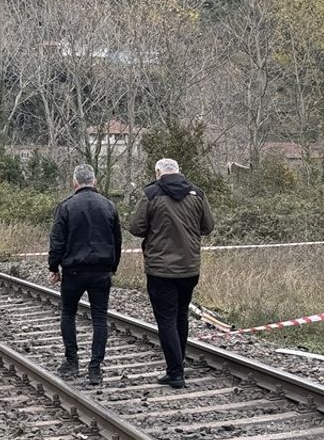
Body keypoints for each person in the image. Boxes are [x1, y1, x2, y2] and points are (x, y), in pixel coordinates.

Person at [128, 158, 215, 389]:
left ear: (158, 173)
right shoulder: (197, 193)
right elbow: (208, 227)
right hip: (189, 268)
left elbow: (136, 228)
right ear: (179, 171)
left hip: (160, 268)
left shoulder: (151, 194)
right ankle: (178, 364)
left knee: (166, 319)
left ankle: (175, 372)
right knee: (180, 316)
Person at [48, 164, 122, 386]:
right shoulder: (109, 206)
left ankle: (72, 361)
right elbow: (117, 241)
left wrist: (54, 267)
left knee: (68, 313)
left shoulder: (66, 207)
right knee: (100, 318)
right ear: (94, 181)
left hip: (74, 270)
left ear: (75, 183)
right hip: (101, 270)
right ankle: (95, 368)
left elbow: (57, 240)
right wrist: (113, 267)